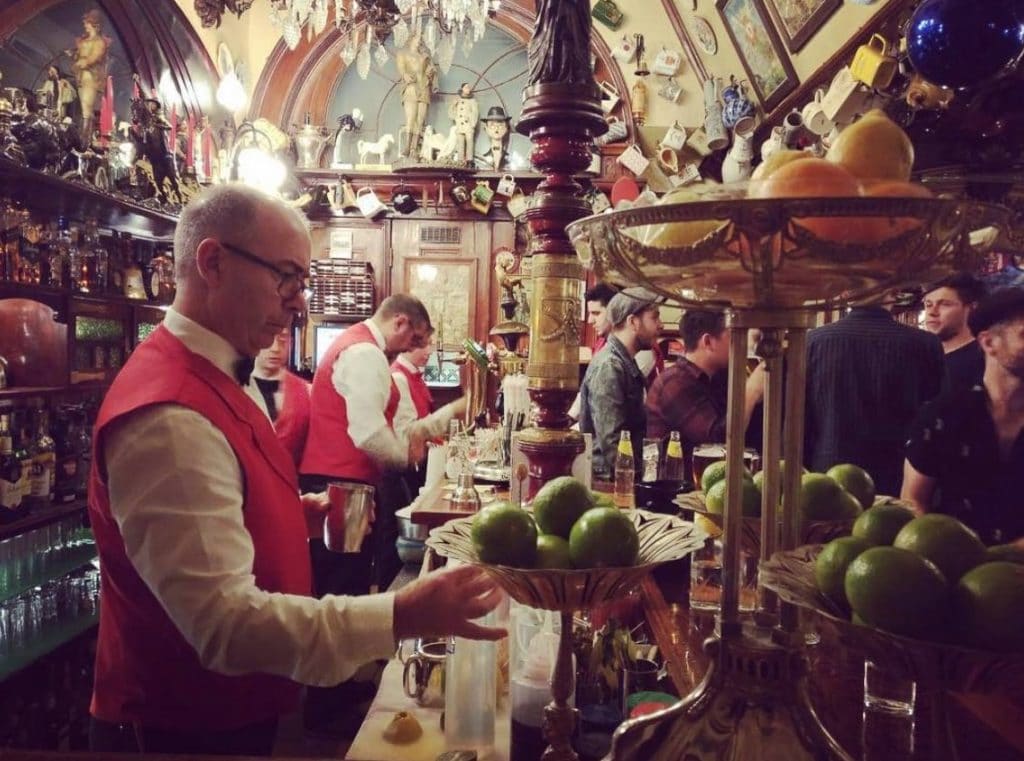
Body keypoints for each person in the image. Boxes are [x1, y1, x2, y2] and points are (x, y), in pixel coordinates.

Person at [86, 184, 503, 755]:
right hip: (177, 731)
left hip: (234, 712)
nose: (300, 303)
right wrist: (403, 612)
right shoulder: (168, 415)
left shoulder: (220, 372)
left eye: (302, 282)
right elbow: (226, 626)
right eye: (286, 277)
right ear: (212, 262)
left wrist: (285, 516)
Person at [902, 288, 1024, 546]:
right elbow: (913, 501)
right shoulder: (943, 415)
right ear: (989, 343)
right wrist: (939, 556)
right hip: (950, 570)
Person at [804, 293, 945, 496]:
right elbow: (935, 415)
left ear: (846, 294)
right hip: (900, 472)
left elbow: (800, 417)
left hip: (828, 470)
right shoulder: (925, 343)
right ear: (895, 293)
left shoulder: (814, 341)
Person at [645, 309, 765, 478]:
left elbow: (750, 432)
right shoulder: (674, 382)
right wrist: (751, 391)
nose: (742, 344)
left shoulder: (718, 377)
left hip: (714, 487)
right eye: (733, 336)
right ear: (708, 341)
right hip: (678, 495)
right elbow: (717, 441)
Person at [579, 287, 663, 479]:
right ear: (633, 322)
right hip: (610, 485)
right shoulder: (609, 366)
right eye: (655, 317)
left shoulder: (623, 362)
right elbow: (613, 445)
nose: (661, 325)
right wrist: (640, 485)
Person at [391, 331, 466, 497]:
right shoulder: (398, 377)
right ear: (408, 345)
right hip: (408, 469)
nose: (429, 351)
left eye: (430, 344)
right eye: (424, 345)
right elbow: (411, 434)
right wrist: (455, 408)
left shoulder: (414, 374)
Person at [249, 326, 310, 468]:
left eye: (282, 339)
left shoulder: (307, 392)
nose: (275, 348)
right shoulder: (235, 386)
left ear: (291, 342)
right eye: (268, 337)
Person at [921, 273, 987, 393]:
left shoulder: (984, 361)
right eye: (928, 304)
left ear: (972, 308)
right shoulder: (921, 358)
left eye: (945, 304)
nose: (932, 312)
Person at [67, 9, 109, 143]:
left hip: (90, 77)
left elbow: (93, 58)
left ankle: (84, 139)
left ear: (94, 24)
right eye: (85, 22)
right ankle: (82, 137)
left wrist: (83, 62)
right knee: (82, 107)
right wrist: (74, 56)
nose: (85, 25)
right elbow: (79, 57)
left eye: (87, 23)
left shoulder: (99, 42)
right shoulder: (84, 41)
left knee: (86, 109)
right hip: (81, 76)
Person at [395, 30, 437, 159]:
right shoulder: (403, 54)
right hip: (411, 87)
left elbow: (432, 70)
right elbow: (401, 69)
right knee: (410, 119)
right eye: (417, 39)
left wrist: (431, 73)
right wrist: (404, 75)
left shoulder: (424, 55)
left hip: (423, 87)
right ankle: (407, 147)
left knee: (420, 120)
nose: (419, 41)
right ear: (411, 39)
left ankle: (414, 148)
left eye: (421, 39)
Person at [448, 83, 479, 165]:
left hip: (468, 125)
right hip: (459, 125)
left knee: (469, 142)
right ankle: (460, 160)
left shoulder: (472, 101)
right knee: (460, 143)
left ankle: (469, 160)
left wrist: (472, 123)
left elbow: (475, 113)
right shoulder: (457, 100)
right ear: (462, 89)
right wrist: (453, 106)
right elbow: (451, 113)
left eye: (469, 87)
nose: (468, 89)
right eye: (466, 87)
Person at [480, 105, 512, 170]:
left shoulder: (511, 157)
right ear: (486, 129)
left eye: (500, 125)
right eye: (492, 125)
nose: (496, 128)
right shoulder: (482, 159)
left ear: (506, 128)